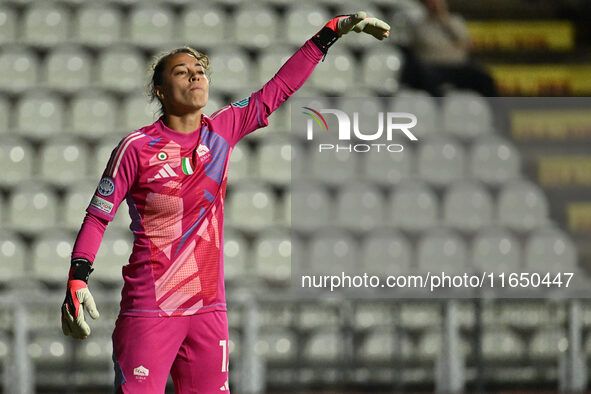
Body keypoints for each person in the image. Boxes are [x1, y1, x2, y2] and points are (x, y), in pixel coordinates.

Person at [60, 11, 390, 394]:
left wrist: (329, 33)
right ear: (161, 92)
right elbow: (98, 218)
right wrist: (78, 276)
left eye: (199, 69)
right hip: (151, 308)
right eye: (181, 71)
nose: (195, 75)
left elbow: (278, 88)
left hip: (208, 311)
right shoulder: (136, 148)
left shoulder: (221, 131)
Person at [400, 0, 498, 96]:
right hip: (433, 68)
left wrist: (444, 20)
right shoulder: (419, 26)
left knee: (484, 78)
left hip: (458, 67)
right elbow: (425, 47)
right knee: (427, 78)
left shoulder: (455, 21)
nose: (435, 5)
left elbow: (465, 43)